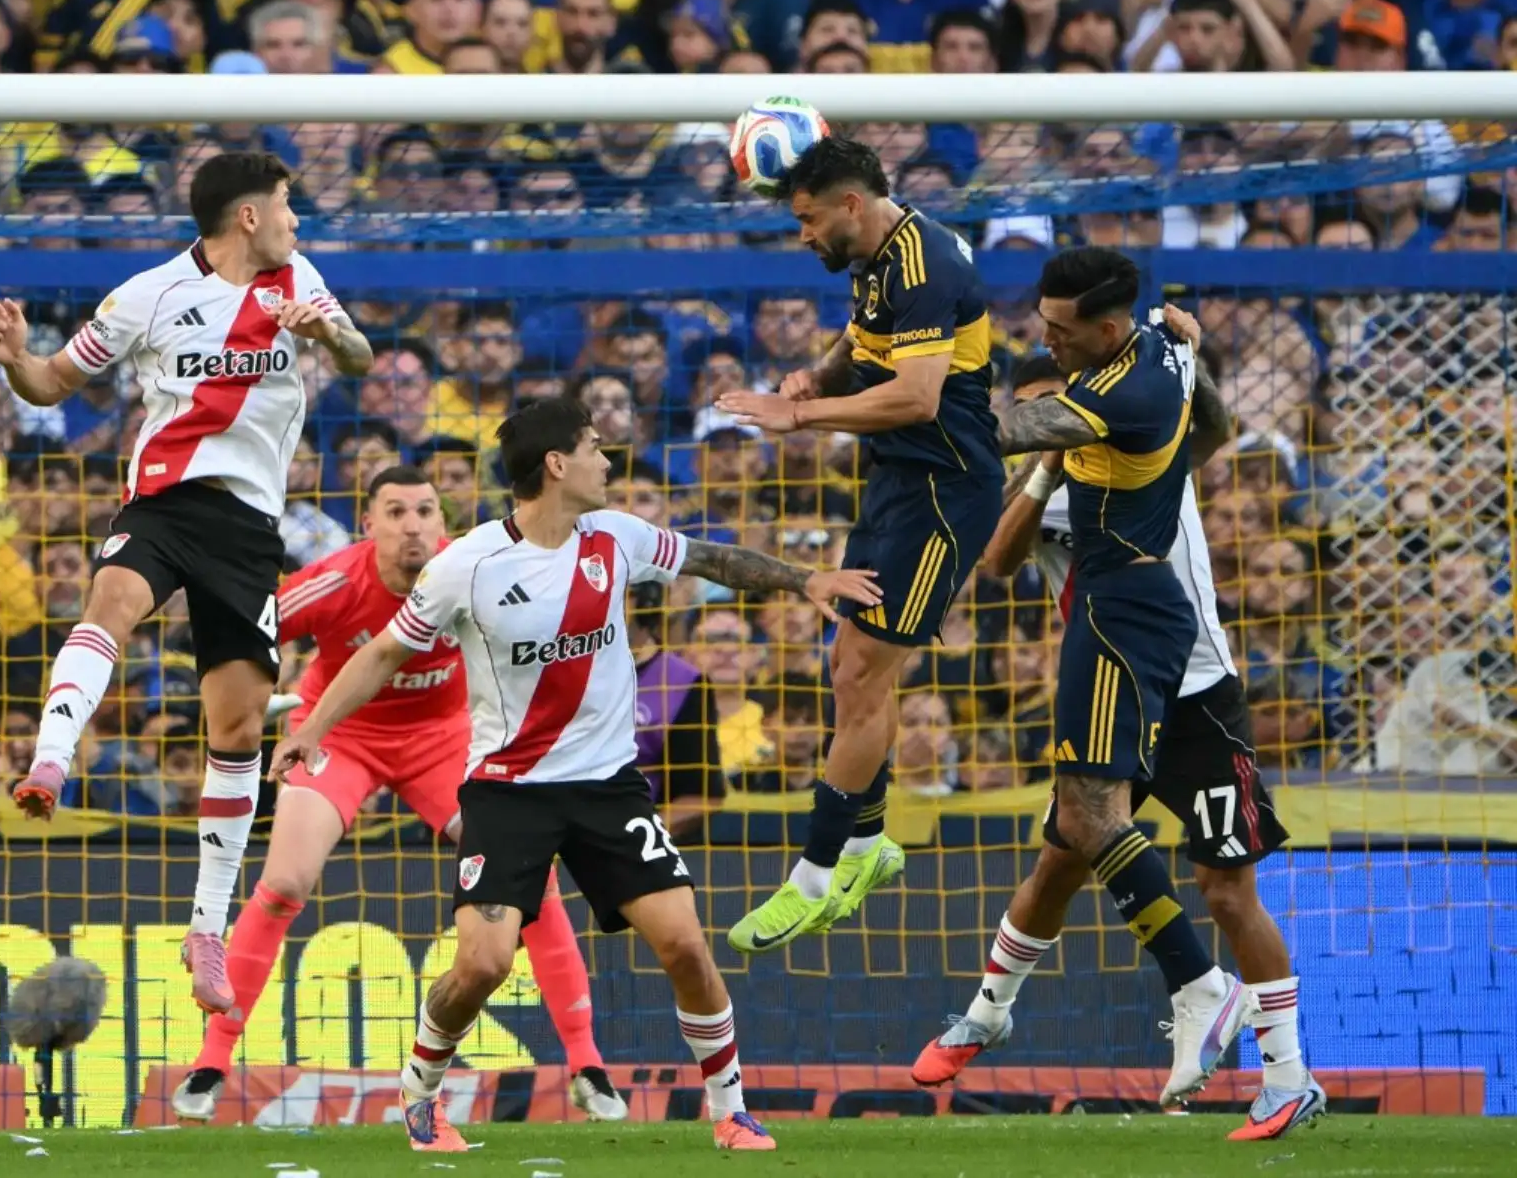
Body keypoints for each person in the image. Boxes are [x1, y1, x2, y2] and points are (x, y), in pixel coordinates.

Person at [267, 398, 882, 1153]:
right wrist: (311, 731)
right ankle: (422, 1090)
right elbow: (382, 655)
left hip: (608, 787)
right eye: (594, 447)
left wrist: (804, 579)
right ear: (557, 465)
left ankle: (731, 1109)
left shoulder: (617, 537)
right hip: (507, 790)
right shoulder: (467, 565)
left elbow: (711, 559)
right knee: (484, 964)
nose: (607, 460)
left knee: (686, 946)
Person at [0, 151, 375, 1015]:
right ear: (246, 217)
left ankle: (205, 929)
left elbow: (361, 359)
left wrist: (327, 334)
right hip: (162, 503)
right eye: (286, 204)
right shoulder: (143, 296)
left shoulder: (297, 279)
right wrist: (15, 357)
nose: (296, 221)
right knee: (111, 601)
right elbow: (50, 384)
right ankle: (50, 760)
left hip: (246, 530)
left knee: (235, 729)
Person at [913, 352, 1324, 1139]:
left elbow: (1214, 429)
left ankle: (1287, 1076)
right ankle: (986, 1013)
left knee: (1228, 891)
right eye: (1031, 415)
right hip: (1118, 694)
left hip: (1201, 696)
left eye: (1053, 411)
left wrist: (1192, 357)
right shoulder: (1042, 492)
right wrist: (1042, 471)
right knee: (1060, 858)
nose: (1045, 427)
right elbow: (996, 561)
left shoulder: (1139, 461)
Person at [170, 466, 629, 1124]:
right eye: (395, 512)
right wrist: (239, 683)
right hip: (339, 734)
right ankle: (211, 1062)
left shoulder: (475, 569)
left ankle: (587, 1064)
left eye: (424, 511)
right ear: (370, 526)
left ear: (442, 524)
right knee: (284, 883)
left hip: (446, 742)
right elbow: (246, 627)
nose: (412, 524)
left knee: (532, 882)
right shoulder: (335, 581)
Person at [973, 247, 1250, 1109]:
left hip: (1132, 610)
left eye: (1058, 332)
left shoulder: (1115, 394)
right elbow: (1212, 427)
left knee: (1099, 821)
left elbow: (999, 435)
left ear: (1103, 329)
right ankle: (994, 1008)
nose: (1044, 339)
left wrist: (915, 385)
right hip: (1120, 607)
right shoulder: (1161, 351)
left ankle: (1208, 990)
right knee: (1076, 822)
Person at [714, 135, 1004, 952]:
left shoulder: (927, 265)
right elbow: (861, 341)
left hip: (944, 495)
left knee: (867, 675)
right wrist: (821, 375)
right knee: (848, 669)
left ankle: (812, 877)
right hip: (896, 485)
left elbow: (916, 397)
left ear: (850, 203)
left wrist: (798, 414)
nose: (801, 235)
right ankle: (870, 844)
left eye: (807, 219)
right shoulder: (877, 256)